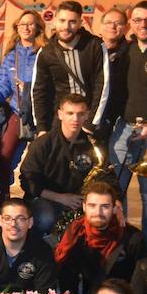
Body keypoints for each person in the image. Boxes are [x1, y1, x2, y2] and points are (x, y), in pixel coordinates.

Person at [55, 181, 146, 294]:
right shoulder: (76, 233)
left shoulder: (133, 239)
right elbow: (68, 272)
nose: (98, 212)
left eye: (105, 206)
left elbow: (140, 287)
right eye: (92, 206)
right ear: (84, 207)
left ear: (115, 208)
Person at [20, 93, 99, 237]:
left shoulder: (93, 146)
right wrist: (61, 198)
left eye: (80, 114)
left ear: (87, 115)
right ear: (60, 114)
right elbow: (27, 181)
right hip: (44, 199)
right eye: (70, 113)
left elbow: (105, 177)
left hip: (77, 201)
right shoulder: (42, 144)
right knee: (45, 218)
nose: (75, 119)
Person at [31, 0, 109, 136]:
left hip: (89, 120)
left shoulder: (95, 46)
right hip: (60, 123)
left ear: (80, 23)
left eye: (72, 22)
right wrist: (41, 129)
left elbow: (102, 85)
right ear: (55, 21)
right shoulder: (46, 52)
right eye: (62, 20)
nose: (66, 26)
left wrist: (90, 124)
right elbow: (39, 92)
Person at [110, 0, 147, 247]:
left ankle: (146, 251)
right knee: (116, 191)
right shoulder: (124, 51)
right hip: (124, 129)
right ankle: (121, 249)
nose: (143, 25)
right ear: (130, 23)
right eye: (137, 20)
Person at [0, 9, 44, 146]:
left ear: (37, 28)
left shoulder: (44, 54)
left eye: (30, 24)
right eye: (22, 24)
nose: (26, 27)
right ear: (17, 27)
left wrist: (27, 88)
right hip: (18, 114)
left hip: (41, 116)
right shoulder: (11, 56)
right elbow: (2, 88)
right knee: (4, 156)